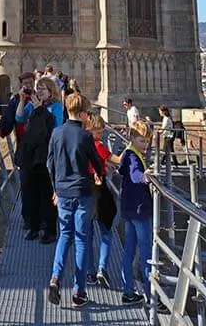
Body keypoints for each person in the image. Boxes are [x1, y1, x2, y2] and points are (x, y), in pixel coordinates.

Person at [47, 92, 103, 308]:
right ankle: (78, 292)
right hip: (82, 192)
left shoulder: (56, 133)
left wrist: (55, 189)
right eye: (87, 113)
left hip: (62, 191)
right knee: (81, 240)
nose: (89, 117)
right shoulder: (86, 136)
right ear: (81, 113)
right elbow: (95, 160)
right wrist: (98, 174)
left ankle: (55, 278)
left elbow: (50, 164)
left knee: (64, 236)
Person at [17, 78, 58, 243]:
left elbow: (55, 129)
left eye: (43, 89)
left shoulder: (56, 107)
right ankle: (33, 226)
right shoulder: (32, 105)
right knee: (30, 192)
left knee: (46, 193)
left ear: (51, 91)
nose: (40, 91)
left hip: (45, 155)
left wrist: (41, 110)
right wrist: (22, 100)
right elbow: (19, 118)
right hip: (30, 155)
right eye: (38, 88)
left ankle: (49, 230)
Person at [119, 120, 153, 305]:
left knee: (129, 251)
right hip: (139, 209)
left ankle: (128, 291)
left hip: (129, 208)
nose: (145, 145)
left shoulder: (129, 153)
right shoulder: (133, 156)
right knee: (146, 252)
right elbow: (134, 174)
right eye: (141, 141)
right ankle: (151, 295)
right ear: (132, 138)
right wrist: (145, 177)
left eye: (147, 141)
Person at [0, 70, 36, 220]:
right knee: (25, 186)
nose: (28, 86)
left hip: (41, 150)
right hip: (24, 149)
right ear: (20, 85)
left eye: (30, 83)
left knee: (41, 185)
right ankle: (28, 219)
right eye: (25, 84)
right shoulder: (16, 100)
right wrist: (1, 129)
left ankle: (42, 220)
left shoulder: (39, 97)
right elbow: (8, 118)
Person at [86, 114, 119, 289]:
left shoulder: (82, 145)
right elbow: (117, 159)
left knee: (88, 234)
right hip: (99, 191)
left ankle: (90, 272)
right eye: (99, 130)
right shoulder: (98, 146)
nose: (101, 133)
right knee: (106, 232)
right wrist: (132, 149)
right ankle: (102, 269)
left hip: (85, 192)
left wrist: (104, 165)